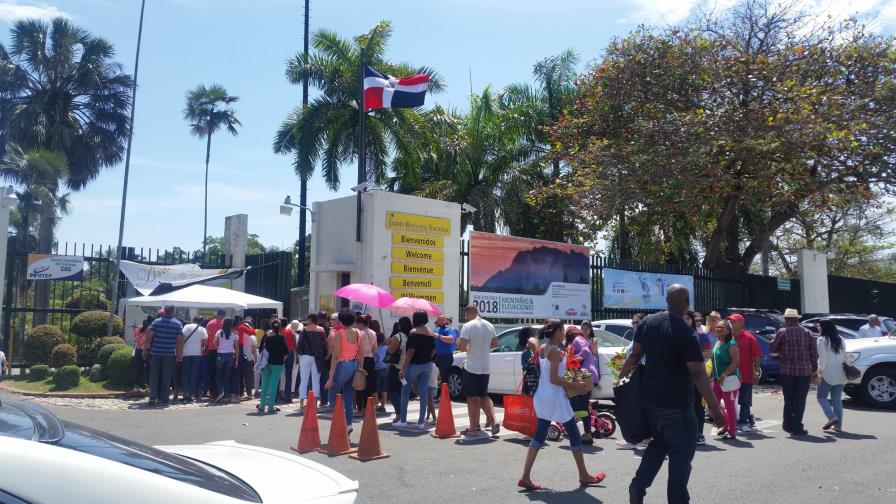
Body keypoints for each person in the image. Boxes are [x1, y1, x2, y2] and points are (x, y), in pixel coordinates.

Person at [619, 285, 724, 504]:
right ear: (686, 301)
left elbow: (634, 356)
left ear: (666, 300)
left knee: (660, 442)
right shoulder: (686, 333)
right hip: (677, 406)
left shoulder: (647, 322)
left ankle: (639, 484)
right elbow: (697, 372)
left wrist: (620, 386)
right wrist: (715, 407)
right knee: (680, 459)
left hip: (650, 402)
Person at [518, 319, 607, 491]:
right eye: (562, 329)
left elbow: (537, 350)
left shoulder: (544, 348)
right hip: (555, 397)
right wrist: (577, 386)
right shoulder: (556, 352)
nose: (564, 332)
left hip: (543, 396)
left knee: (539, 435)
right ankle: (584, 475)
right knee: (573, 433)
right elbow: (554, 378)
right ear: (556, 331)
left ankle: (525, 477)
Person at [770, 308, 818, 436]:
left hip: (787, 371)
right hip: (804, 371)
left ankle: (787, 425)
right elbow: (814, 354)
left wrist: (780, 352)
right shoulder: (808, 332)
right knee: (800, 400)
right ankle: (797, 427)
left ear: (786, 319)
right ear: (797, 319)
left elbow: (773, 347)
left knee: (789, 399)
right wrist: (814, 370)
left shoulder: (783, 332)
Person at [458, 304, 501, 436]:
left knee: (472, 398)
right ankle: (493, 420)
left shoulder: (468, 326)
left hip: (472, 366)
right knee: (483, 395)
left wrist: (471, 347)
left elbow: (461, 347)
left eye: (466, 315)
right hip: (485, 366)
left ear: (469, 313)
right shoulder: (489, 325)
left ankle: (473, 427)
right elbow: (495, 344)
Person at [325, 309, 364, 433]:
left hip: (342, 365)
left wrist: (330, 377)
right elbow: (362, 353)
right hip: (354, 364)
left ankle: (340, 420)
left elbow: (335, 356)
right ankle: (349, 424)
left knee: (332, 393)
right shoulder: (358, 332)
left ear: (340, 321)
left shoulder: (339, 333)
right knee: (348, 396)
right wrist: (360, 369)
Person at [398, 311, 436, 429]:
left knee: (405, 390)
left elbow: (410, 351)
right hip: (427, 365)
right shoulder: (431, 332)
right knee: (423, 391)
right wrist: (427, 358)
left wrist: (403, 368)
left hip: (414, 365)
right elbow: (433, 350)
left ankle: (403, 420)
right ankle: (421, 422)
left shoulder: (413, 332)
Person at [728, 313, 762, 433]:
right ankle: (731, 423)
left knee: (745, 401)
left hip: (746, 375)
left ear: (741, 323)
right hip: (730, 375)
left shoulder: (749, 337)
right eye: (730, 322)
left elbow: (757, 356)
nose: (731, 324)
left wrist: (756, 372)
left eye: (734, 322)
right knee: (730, 400)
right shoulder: (727, 337)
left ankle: (743, 422)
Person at [143, 305, 183, 407]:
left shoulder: (156, 322)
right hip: (169, 353)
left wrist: (144, 350)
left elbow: (149, 337)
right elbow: (179, 341)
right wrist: (179, 354)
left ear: (164, 311)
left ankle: (152, 397)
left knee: (154, 376)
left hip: (156, 352)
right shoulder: (178, 324)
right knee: (166, 376)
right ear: (174, 311)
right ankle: (164, 398)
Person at [566, 326, 600, 444]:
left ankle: (583, 434)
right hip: (590, 376)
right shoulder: (583, 339)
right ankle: (587, 434)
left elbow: (585, 352)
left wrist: (574, 360)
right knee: (583, 406)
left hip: (586, 376)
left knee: (577, 405)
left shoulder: (577, 340)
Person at [815, 319, 848, 432]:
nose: (817, 328)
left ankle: (832, 417)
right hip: (841, 373)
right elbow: (846, 356)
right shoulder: (840, 339)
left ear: (824, 327)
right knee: (837, 399)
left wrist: (819, 373)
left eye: (819, 326)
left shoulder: (821, 340)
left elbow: (822, 359)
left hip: (828, 373)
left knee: (821, 397)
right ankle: (838, 426)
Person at [685, 310, 712, 445]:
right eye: (683, 318)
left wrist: (691, 358)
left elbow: (708, 354)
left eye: (688, 319)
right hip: (680, 377)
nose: (686, 321)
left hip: (697, 376)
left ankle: (699, 434)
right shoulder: (673, 336)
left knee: (698, 405)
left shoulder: (702, 337)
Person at [710, 320, 740, 440]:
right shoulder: (717, 342)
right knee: (714, 403)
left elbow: (735, 363)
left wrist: (724, 375)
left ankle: (731, 431)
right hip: (716, 379)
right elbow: (714, 362)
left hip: (729, 380)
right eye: (717, 327)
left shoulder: (731, 344)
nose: (718, 329)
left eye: (722, 327)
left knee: (729, 405)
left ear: (728, 330)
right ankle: (725, 425)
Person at [297, 313, 327, 413]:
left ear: (310, 319)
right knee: (316, 380)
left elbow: (300, 344)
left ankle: (301, 404)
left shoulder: (305, 330)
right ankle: (315, 404)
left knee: (304, 380)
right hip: (317, 358)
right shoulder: (321, 330)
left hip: (305, 356)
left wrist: (300, 354)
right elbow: (324, 345)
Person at [258, 320, 288, 414]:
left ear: (271, 326)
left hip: (265, 363)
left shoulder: (266, 336)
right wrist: (283, 361)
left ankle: (262, 405)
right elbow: (286, 352)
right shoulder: (281, 337)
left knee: (264, 385)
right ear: (279, 327)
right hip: (277, 364)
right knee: (273, 386)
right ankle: (271, 406)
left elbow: (260, 350)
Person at [177, 316, 208, 402]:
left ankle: (185, 393)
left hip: (186, 353)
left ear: (193, 320)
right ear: (201, 321)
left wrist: (180, 352)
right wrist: (199, 346)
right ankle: (191, 394)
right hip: (197, 353)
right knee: (194, 374)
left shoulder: (187, 326)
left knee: (185, 373)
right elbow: (205, 343)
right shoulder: (202, 329)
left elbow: (181, 339)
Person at [387, 317, 411, 422]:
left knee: (392, 390)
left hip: (396, 366)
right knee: (403, 390)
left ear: (400, 326)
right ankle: (403, 412)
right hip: (408, 366)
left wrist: (389, 344)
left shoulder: (397, 337)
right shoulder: (412, 336)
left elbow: (391, 351)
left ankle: (399, 413)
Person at [355, 314, 378, 415]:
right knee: (369, 385)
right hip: (371, 359)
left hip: (361, 359)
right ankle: (366, 407)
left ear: (360, 323)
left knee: (360, 384)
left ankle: (359, 409)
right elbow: (374, 348)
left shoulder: (359, 333)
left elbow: (357, 348)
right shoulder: (373, 333)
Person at [213, 317, 240, 403]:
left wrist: (218, 347)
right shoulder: (235, 333)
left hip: (221, 355)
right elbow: (236, 348)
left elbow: (214, 342)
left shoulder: (219, 332)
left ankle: (220, 393)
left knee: (218, 375)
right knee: (227, 376)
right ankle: (226, 394)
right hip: (230, 355)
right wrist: (236, 360)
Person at [204, 309, 226, 400]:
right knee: (223, 373)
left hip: (212, 350)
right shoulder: (226, 323)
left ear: (217, 314)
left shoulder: (210, 323)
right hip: (224, 351)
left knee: (212, 373)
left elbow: (207, 337)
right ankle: (223, 392)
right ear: (224, 315)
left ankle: (213, 393)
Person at [434, 315, 459, 390]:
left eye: (442, 320)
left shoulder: (449, 330)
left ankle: (444, 396)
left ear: (445, 321)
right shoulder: (436, 330)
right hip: (437, 356)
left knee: (444, 376)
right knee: (437, 375)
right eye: (439, 320)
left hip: (446, 356)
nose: (441, 321)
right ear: (437, 321)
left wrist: (439, 336)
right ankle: (439, 394)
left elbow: (451, 339)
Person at [238, 317, 258, 398]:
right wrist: (256, 361)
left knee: (240, 376)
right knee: (248, 377)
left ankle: (240, 392)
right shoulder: (252, 337)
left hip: (239, 357)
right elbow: (254, 351)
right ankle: (249, 393)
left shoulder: (238, 334)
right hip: (249, 358)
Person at [132, 316, 152, 391]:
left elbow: (135, 339)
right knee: (149, 369)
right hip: (147, 350)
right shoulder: (150, 330)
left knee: (138, 368)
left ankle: (136, 386)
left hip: (138, 350)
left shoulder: (137, 329)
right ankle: (149, 386)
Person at [279, 317, 297, 403]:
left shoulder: (278, 332)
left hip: (280, 353)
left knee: (278, 375)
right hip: (290, 352)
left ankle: (276, 395)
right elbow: (295, 345)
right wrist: (297, 356)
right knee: (288, 376)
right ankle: (288, 396)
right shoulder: (291, 332)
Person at [373, 330, 389, 412]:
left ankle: (376, 404)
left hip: (377, 370)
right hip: (385, 369)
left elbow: (375, 361)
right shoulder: (386, 348)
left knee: (375, 388)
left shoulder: (375, 350)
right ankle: (383, 405)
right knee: (384, 388)